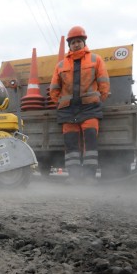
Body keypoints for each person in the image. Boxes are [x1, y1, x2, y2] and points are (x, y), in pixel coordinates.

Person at [49, 26, 110, 183]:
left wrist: (98, 99)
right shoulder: (61, 65)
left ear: (84, 42)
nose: (76, 44)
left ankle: (89, 177)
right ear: (69, 45)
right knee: (71, 146)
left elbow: (104, 82)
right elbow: (54, 88)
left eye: (78, 41)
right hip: (68, 111)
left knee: (90, 143)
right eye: (73, 42)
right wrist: (61, 102)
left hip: (90, 108)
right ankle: (74, 177)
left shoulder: (96, 59)